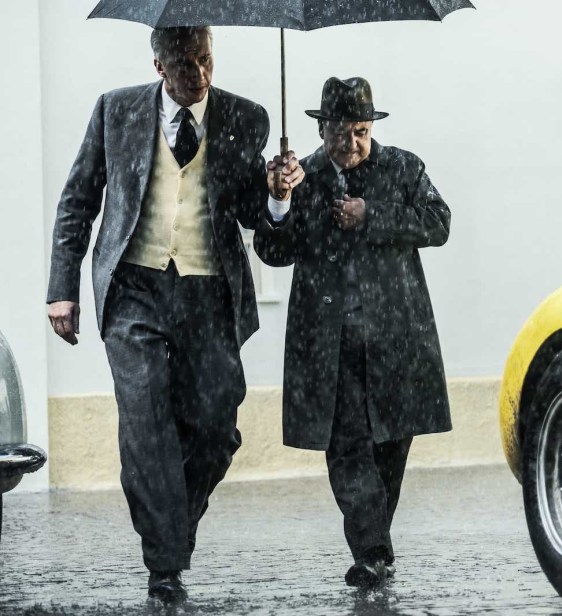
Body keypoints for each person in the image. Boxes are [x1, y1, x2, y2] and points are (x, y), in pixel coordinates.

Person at [45, 26, 303, 605]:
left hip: (208, 294)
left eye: (207, 60)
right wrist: (61, 289)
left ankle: (171, 527)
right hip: (134, 287)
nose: (201, 75)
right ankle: (165, 561)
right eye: (186, 64)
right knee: (146, 419)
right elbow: (77, 202)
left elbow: (251, 217)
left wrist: (278, 193)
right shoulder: (116, 111)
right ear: (159, 65)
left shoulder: (246, 118)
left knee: (217, 427)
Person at [255, 76, 452, 589]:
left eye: (361, 132)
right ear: (322, 130)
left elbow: (439, 223)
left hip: (395, 339)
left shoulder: (404, 169)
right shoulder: (303, 177)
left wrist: (373, 215)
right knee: (345, 449)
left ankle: (373, 547)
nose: (352, 144)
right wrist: (278, 201)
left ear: (372, 126)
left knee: (391, 445)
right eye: (340, 134)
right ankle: (371, 551)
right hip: (327, 343)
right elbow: (272, 251)